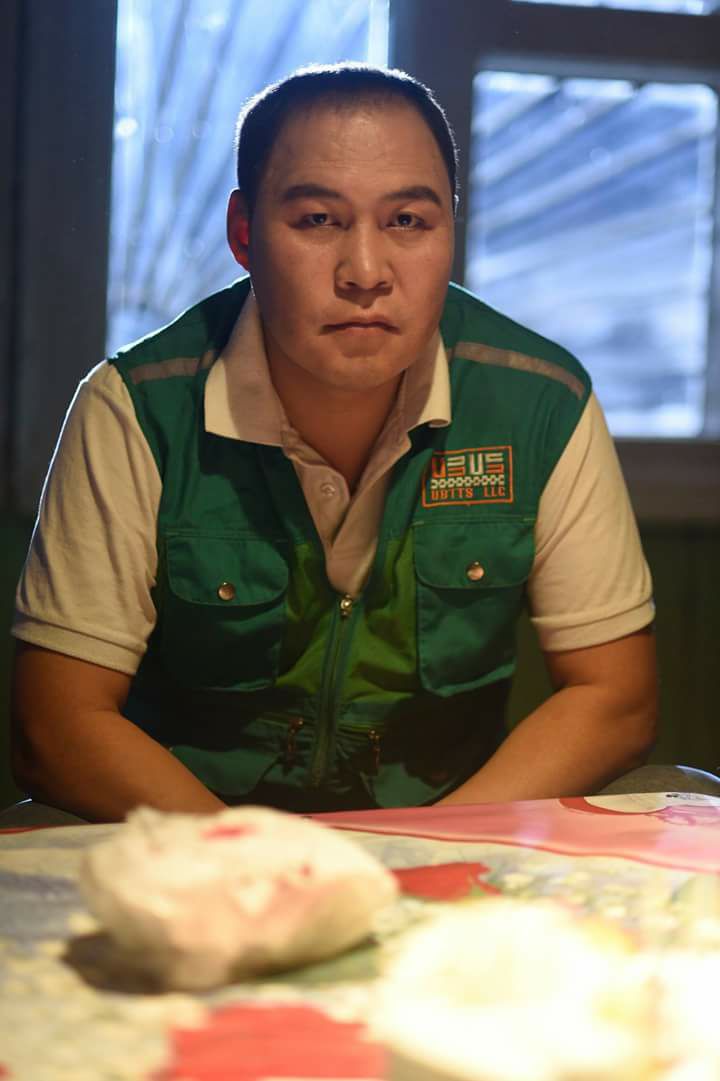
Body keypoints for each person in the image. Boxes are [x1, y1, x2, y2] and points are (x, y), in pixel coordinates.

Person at [10, 63, 661, 823]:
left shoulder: (539, 401)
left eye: (407, 222)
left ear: (451, 231)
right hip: (192, 843)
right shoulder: (138, 404)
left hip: (446, 830)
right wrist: (265, 864)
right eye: (319, 220)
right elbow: (57, 725)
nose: (365, 273)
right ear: (244, 233)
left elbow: (614, 698)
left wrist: (430, 847)